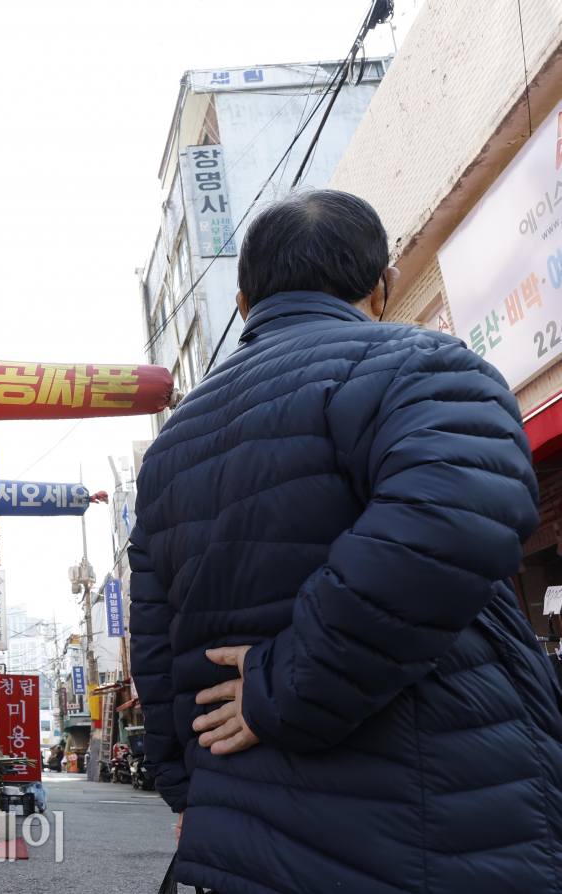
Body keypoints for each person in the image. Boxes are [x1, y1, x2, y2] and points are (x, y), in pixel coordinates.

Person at [130, 189, 562, 894]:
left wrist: (190, 789)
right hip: (435, 829)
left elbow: (152, 641)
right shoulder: (421, 365)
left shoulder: (171, 446)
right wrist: (284, 686)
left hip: (242, 839)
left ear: (243, 304)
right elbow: (450, 520)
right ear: (383, 288)